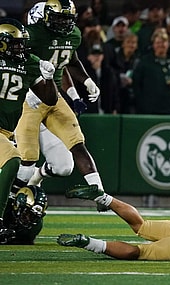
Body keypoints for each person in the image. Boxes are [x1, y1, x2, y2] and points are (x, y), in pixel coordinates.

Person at [14, 0, 111, 212]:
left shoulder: (73, 34)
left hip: (54, 97)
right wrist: (27, 86)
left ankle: (100, 194)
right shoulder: (33, 34)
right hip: (28, 99)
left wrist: (86, 81)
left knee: (75, 147)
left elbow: (70, 61)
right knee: (26, 160)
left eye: (67, 19)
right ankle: (10, 205)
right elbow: (15, 60)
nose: (63, 24)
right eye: (59, 18)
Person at [0, 18, 58, 243]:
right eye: (15, 44)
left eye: (21, 43)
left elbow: (50, 98)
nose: (20, 48)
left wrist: (50, 78)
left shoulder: (28, 63)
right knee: (14, 160)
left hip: (7, 133)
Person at [132, 31, 170, 115]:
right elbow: (136, 84)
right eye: (158, 42)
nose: (161, 45)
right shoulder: (144, 62)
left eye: (164, 42)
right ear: (153, 45)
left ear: (168, 44)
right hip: (149, 108)